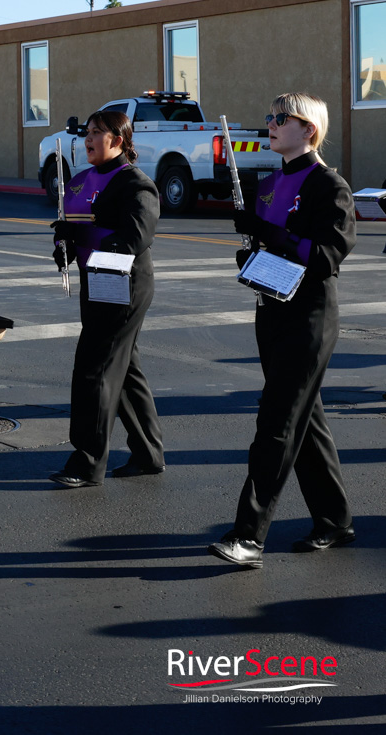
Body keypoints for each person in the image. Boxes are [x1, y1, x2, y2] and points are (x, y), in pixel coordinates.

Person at [208, 92, 356, 569]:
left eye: (281, 118)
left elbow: (328, 257)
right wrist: (252, 257)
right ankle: (334, 520)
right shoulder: (269, 183)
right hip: (270, 311)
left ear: (309, 129)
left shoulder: (329, 185)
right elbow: (270, 252)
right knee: (304, 419)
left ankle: (248, 537)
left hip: (309, 318)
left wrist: (276, 237)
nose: (270, 124)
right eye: (269, 116)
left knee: (276, 423)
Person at [48, 110, 165, 489]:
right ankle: (149, 454)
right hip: (93, 282)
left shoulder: (135, 184)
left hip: (124, 285)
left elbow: (134, 238)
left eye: (98, 132)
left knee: (94, 369)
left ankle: (87, 461)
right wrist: (63, 243)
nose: (89, 138)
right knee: (124, 371)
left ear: (118, 139)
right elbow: (73, 225)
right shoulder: (81, 180)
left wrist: (85, 236)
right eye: (88, 132)